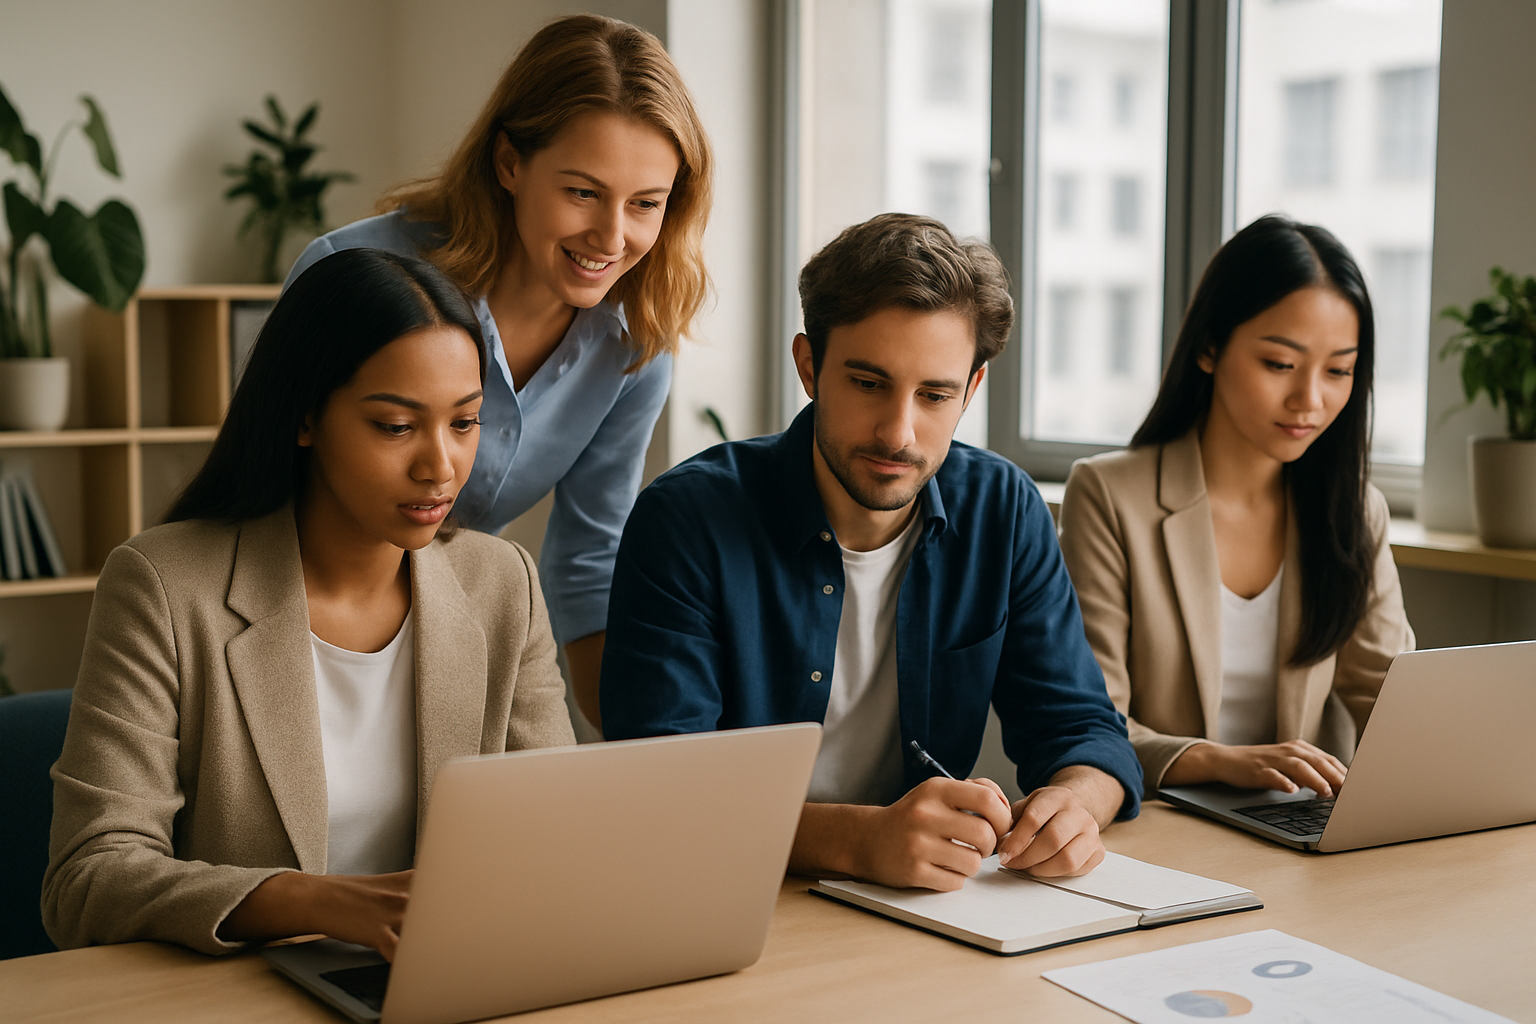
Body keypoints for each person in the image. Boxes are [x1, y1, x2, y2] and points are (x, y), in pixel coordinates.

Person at [43, 249, 576, 958]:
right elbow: (88, 879)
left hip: (447, 982)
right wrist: (307, 900)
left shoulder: (500, 583)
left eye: (464, 423)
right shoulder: (165, 587)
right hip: (246, 995)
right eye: (396, 426)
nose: (440, 466)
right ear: (304, 418)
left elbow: (559, 833)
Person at [600, 214, 1141, 892]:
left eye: (935, 395)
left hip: (917, 908)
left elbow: (1083, 727)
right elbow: (659, 788)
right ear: (809, 367)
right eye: (867, 383)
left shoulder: (1003, 509)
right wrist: (859, 841)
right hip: (725, 896)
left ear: (970, 391)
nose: (898, 431)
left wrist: (1078, 803)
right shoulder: (687, 521)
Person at [285, 15, 713, 732]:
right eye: (582, 192)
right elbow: (259, 489)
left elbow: (587, 563)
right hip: (297, 621)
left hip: (447, 637)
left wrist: (643, 752)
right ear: (510, 162)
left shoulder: (635, 342)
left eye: (645, 204)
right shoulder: (353, 275)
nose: (612, 238)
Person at [1057, 215, 1415, 799]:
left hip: (1301, 830)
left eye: (1339, 370)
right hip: (1166, 830)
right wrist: (1221, 761)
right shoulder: (1109, 496)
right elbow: (1092, 722)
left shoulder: (1354, 510)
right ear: (1209, 347)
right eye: (1279, 364)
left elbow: (1393, 703)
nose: (1310, 399)